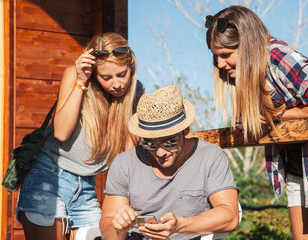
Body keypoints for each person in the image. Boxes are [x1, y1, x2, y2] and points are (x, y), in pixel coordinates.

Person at [205, 5, 308, 240]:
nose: (219, 64)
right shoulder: (245, 75)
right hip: (295, 166)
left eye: (226, 55)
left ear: (247, 44)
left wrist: (276, 114)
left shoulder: (279, 57)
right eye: (215, 56)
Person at [16, 32, 144, 240]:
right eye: (106, 77)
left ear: (131, 67)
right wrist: (81, 80)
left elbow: (128, 154)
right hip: (49, 179)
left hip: (86, 188)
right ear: (94, 72)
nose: (117, 84)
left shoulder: (136, 92)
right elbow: (61, 132)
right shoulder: (74, 76)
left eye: (122, 74)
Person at [100, 85, 240, 240]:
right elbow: (107, 232)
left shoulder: (210, 156)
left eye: (169, 142)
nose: (160, 152)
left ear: (185, 130)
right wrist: (119, 228)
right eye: (150, 144)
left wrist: (179, 225)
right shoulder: (124, 163)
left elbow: (230, 216)